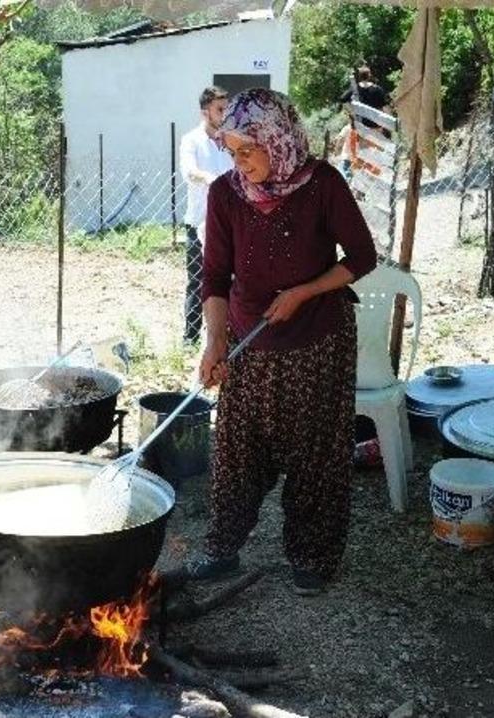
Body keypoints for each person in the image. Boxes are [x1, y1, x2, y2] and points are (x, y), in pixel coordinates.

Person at [183, 88, 378, 596]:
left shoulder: (323, 184)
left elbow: (362, 257)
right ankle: (222, 549)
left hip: (318, 341)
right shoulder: (226, 194)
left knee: (316, 450)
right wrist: (214, 343)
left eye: (248, 150)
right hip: (249, 340)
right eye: (232, 151)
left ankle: (311, 556)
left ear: (278, 139)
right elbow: (214, 277)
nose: (239, 163)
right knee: (237, 448)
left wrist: (304, 292)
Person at [179, 86, 234, 346]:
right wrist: (211, 180)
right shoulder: (191, 140)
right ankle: (190, 339)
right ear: (205, 112)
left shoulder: (231, 140)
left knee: (231, 280)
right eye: (220, 109)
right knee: (197, 281)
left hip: (230, 224)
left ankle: (229, 334)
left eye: (226, 108)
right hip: (199, 221)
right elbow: (190, 171)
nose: (225, 113)